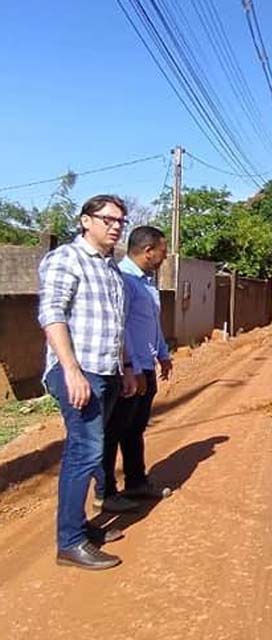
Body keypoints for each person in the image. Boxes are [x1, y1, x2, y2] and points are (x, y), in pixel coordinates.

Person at [38, 194, 137, 570]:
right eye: (108, 219)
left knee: (91, 449)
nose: (115, 226)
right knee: (86, 451)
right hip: (80, 373)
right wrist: (71, 370)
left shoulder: (111, 270)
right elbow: (51, 315)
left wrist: (126, 367)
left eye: (120, 222)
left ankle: (81, 527)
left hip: (108, 370)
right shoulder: (66, 258)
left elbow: (117, 325)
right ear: (85, 221)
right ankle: (70, 542)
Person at [97, 226, 173, 512]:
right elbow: (122, 327)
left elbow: (151, 325)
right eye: (162, 253)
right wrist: (136, 368)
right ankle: (105, 492)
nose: (164, 258)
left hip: (146, 365)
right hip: (130, 370)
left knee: (135, 429)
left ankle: (136, 482)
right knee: (115, 430)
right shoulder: (123, 279)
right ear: (148, 251)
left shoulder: (147, 282)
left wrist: (163, 354)